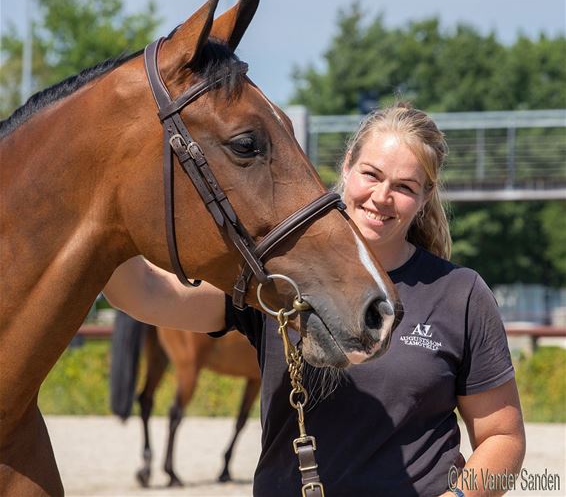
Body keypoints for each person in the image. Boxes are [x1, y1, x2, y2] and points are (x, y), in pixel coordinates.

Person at [104, 104, 525, 497]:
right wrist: (99, 214)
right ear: (346, 168)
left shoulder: (460, 293)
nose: (381, 197)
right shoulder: (281, 278)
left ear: (425, 196)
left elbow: (503, 440)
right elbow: (142, 294)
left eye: (404, 186)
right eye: (371, 175)